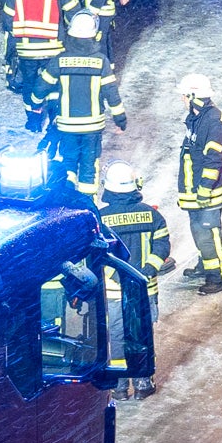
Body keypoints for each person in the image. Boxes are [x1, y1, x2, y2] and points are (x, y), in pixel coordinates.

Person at [95, 165, 170, 389]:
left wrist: (116, 274)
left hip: (113, 292)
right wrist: (147, 271)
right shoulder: (152, 215)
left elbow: (96, 255)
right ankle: (142, 383)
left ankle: (119, 386)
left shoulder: (101, 219)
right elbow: (162, 247)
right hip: (144, 289)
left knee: (116, 337)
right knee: (141, 335)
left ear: (108, 187)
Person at [50, 12, 123, 207]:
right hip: (92, 128)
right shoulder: (101, 61)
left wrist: (34, 105)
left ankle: (66, 203)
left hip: (67, 127)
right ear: (94, 34)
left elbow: (43, 85)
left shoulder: (60, 60)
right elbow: (111, 92)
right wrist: (120, 118)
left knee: (68, 163)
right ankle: (88, 207)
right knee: (89, 167)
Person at [175, 74, 222, 295]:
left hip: (207, 193)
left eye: (184, 95)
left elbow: (214, 159)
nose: (182, 99)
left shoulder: (212, 122)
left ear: (193, 96)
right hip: (196, 191)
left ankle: (218, 277)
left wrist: (204, 189)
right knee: (199, 232)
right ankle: (205, 264)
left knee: (208, 234)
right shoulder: (196, 118)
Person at [8, 0, 66, 132]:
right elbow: (74, 11)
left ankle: (33, 121)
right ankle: (55, 120)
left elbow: (7, 18)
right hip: (53, 48)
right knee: (53, 84)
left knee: (29, 83)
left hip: (26, 49)